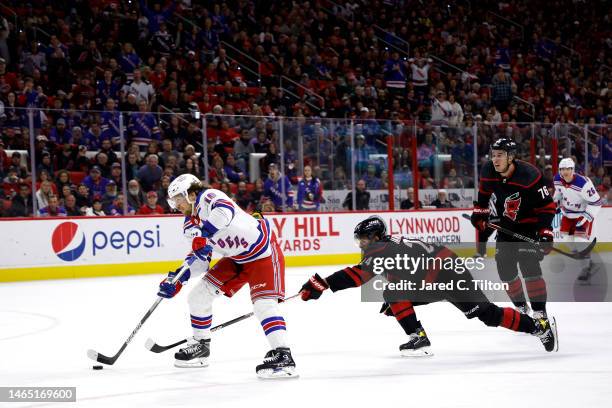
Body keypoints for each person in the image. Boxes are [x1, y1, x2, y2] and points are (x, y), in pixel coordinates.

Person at [300, 216, 558, 356]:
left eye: (364, 240)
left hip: (450, 277)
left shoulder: (382, 249)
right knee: (393, 294)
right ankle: (418, 337)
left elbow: (357, 276)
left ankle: (539, 327)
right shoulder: (387, 245)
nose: (362, 244)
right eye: (360, 241)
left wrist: (322, 284)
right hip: (440, 276)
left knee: (488, 316)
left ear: (377, 237)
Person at [159, 174, 297, 378]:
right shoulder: (190, 226)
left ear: (192, 193)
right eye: (173, 201)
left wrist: (204, 235)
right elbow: (201, 259)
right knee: (197, 297)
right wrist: (180, 277)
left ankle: (284, 357)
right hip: (236, 259)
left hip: (263, 253)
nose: (176, 204)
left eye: (178, 198)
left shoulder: (209, 197)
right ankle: (201, 345)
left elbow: (225, 212)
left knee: (263, 305)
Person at [471, 138, 556, 319]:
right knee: (504, 269)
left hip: (530, 224)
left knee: (529, 265)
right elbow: (483, 197)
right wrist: (479, 215)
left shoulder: (530, 175)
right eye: (493, 155)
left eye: (500, 155)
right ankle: (522, 309)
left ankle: (540, 314)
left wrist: (545, 232)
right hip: (507, 224)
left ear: (511, 157)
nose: (495, 159)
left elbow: (547, 207)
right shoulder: (488, 171)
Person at [553, 158, 602, 281]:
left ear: (573, 169)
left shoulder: (583, 183)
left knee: (580, 241)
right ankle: (586, 259)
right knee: (567, 240)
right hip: (567, 214)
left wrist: (587, 217)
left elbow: (596, 202)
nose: (565, 172)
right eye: (562, 169)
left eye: (568, 169)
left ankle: (585, 268)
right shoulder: (557, 179)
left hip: (582, 215)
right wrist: (555, 203)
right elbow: (558, 195)